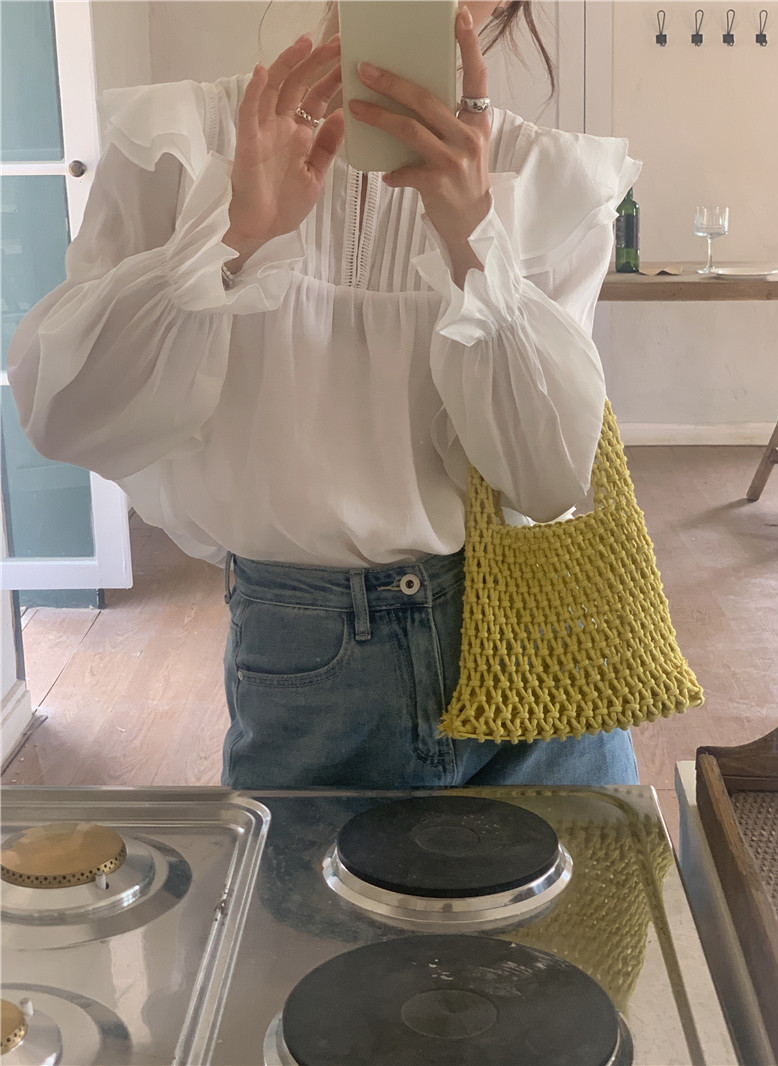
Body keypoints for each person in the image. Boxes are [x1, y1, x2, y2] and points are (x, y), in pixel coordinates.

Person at [8, 1, 641, 790]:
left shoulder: (545, 178)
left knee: (583, 878)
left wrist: (476, 245)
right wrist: (231, 239)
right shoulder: (182, 142)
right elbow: (66, 416)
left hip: (536, 658)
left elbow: (547, 482)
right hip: (308, 667)